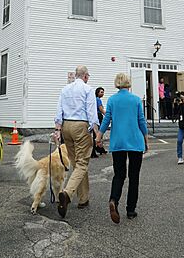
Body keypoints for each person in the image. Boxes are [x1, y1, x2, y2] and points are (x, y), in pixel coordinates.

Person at [96, 73, 148, 224]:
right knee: (134, 176)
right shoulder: (136, 100)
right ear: (129, 84)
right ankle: (131, 210)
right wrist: (145, 138)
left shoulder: (112, 99)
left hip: (118, 142)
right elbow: (141, 121)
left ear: (117, 84)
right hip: (135, 141)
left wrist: (99, 137)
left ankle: (114, 200)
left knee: (119, 175)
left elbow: (106, 120)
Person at [54, 65, 99, 218]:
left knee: (76, 163)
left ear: (75, 75)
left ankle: (83, 198)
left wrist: (58, 129)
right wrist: (97, 132)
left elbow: (58, 109)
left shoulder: (65, 89)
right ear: (85, 76)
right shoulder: (88, 89)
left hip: (66, 125)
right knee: (82, 163)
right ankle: (67, 193)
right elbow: (92, 112)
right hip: (81, 126)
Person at [91, 87, 107, 157]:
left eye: (103, 92)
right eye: (101, 92)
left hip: (95, 116)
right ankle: (96, 149)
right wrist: (108, 115)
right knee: (98, 133)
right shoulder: (98, 100)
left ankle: (99, 148)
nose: (103, 94)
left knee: (95, 133)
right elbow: (101, 109)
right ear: (97, 92)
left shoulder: (94, 99)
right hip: (98, 116)